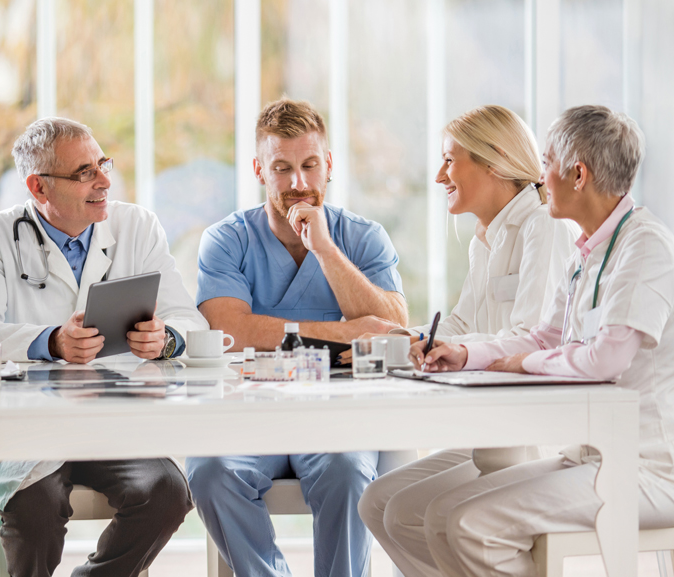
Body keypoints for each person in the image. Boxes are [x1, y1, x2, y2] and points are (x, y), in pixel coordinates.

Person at [409, 105, 674, 577]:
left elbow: (606, 359)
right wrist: (467, 354)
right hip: (588, 455)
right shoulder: (586, 255)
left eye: (545, 162)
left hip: (648, 467)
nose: (538, 176)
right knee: (442, 519)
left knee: (474, 525)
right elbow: (541, 336)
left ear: (578, 174)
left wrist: (523, 364)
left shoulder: (645, 245)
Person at [0, 117, 205, 577]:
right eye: (84, 173)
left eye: (102, 164)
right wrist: (50, 341)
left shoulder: (137, 226)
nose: (104, 181)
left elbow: (189, 320)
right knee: (34, 513)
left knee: (168, 492)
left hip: (116, 416)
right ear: (38, 188)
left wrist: (165, 337)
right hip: (29, 424)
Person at [187, 98, 408, 577]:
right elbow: (231, 331)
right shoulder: (227, 240)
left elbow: (393, 327)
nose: (299, 184)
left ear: (328, 164)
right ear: (258, 170)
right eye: (282, 169)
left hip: (336, 415)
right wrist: (346, 334)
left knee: (348, 473)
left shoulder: (363, 238)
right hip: (248, 414)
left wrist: (324, 249)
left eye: (310, 166)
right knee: (207, 472)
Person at [357, 105, 577, 577]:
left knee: (421, 514)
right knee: (379, 503)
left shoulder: (545, 225)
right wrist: (409, 336)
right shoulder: (485, 239)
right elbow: (458, 323)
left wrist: (451, 350)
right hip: (493, 428)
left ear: (495, 161)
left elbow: (532, 340)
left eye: (449, 160)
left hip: (535, 437)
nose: (438, 176)